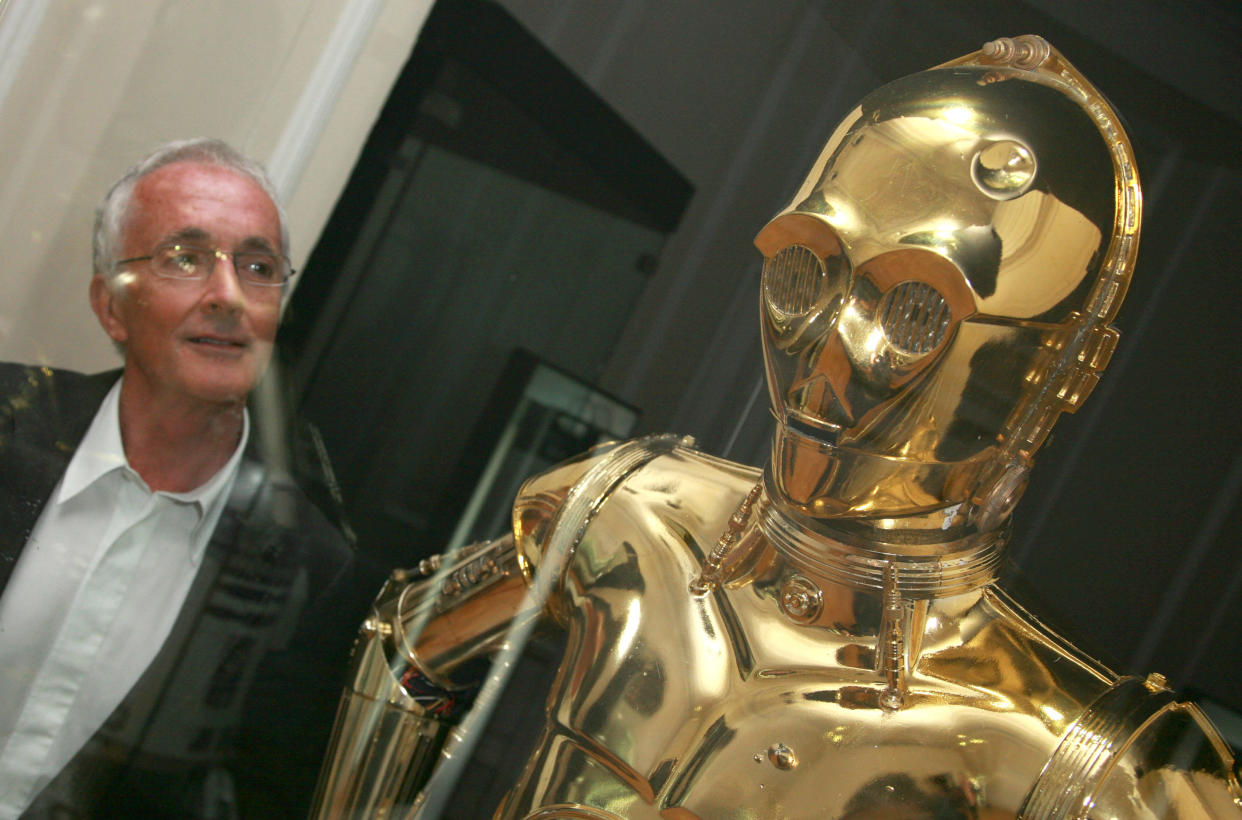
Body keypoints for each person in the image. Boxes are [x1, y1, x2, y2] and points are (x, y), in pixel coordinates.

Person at [311, 37, 1242, 819]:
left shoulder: (1077, 758)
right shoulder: (632, 511)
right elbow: (405, 636)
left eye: (914, 310)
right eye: (807, 274)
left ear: (1061, 367)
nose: (825, 360)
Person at [0, 138, 355, 818]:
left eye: (259, 267)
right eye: (185, 260)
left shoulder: (312, 570)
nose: (229, 297)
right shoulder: (8, 424)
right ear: (111, 307)